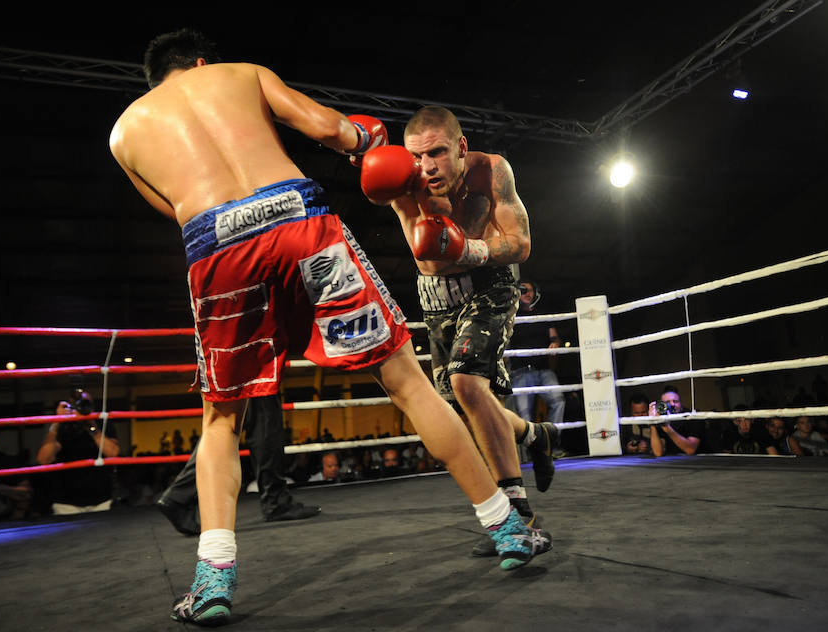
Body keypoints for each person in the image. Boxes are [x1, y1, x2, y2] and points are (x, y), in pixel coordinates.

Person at [110, 29, 550, 626]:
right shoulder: (241, 73)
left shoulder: (124, 134)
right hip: (300, 222)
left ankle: (213, 579)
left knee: (220, 418)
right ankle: (507, 529)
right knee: (406, 380)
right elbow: (330, 130)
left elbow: (171, 207)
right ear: (201, 62)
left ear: (155, 79)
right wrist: (363, 138)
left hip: (215, 248)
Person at [367, 105, 559, 558]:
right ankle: (534, 435)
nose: (426, 166)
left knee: (466, 382)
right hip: (437, 295)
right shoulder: (403, 181)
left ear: (461, 147)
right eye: (417, 156)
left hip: (491, 283)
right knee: (463, 407)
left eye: (436, 152)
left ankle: (517, 511)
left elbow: (522, 244)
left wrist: (469, 246)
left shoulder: (491, 172)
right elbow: (428, 260)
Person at [156, 394, 320, 536]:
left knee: (233, 420)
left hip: (232, 361)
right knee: (252, 418)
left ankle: (179, 496)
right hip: (253, 361)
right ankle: (179, 496)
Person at [36, 390, 120, 513]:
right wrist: (56, 422)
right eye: (76, 405)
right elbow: (44, 459)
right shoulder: (62, 427)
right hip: (66, 502)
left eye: (85, 404)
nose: (80, 408)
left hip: (101, 500)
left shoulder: (101, 423)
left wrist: (92, 428)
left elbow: (113, 453)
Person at [508, 279, 566, 426]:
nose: (528, 293)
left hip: (543, 369)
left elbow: (555, 337)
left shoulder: (543, 315)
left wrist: (555, 343)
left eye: (530, 290)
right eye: (523, 290)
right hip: (520, 372)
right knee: (525, 417)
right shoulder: (511, 317)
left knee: (559, 401)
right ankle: (531, 448)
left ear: (536, 293)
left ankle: (551, 444)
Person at [647, 385, 703, 456]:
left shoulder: (693, 417)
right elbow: (658, 452)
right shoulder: (661, 419)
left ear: (681, 403)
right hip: (672, 463)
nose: (672, 404)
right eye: (667, 402)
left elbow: (690, 450)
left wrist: (666, 427)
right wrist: (652, 423)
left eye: (675, 401)